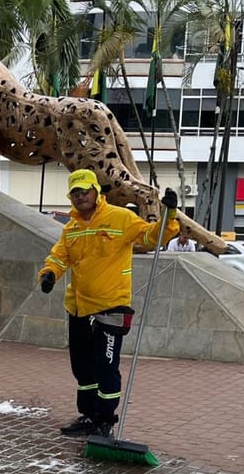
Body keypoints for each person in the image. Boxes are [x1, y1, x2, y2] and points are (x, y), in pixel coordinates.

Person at [38, 169, 179, 439]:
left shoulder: (120, 218)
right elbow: (59, 257)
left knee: (106, 367)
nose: (80, 197)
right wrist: (49, 274)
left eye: (84, 191)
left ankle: (105, 419)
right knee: (82, 368)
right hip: (79, 307)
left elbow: (152, 237)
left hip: (111, 308)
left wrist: (169, 215)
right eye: (75, 193)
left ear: (96, 191)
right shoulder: (72, 228)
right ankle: (88, 415)